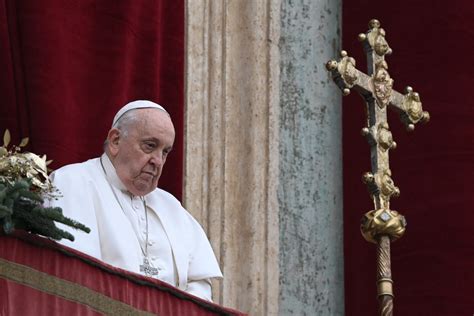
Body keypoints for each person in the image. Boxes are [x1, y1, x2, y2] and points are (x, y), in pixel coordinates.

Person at [48, 100, 222, 300]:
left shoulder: (172, 207)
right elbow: (75, 277)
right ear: (115, 141)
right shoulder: (72, 183)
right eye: (150, 146)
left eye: (165, 152)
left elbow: (200, 286)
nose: (158, 160)